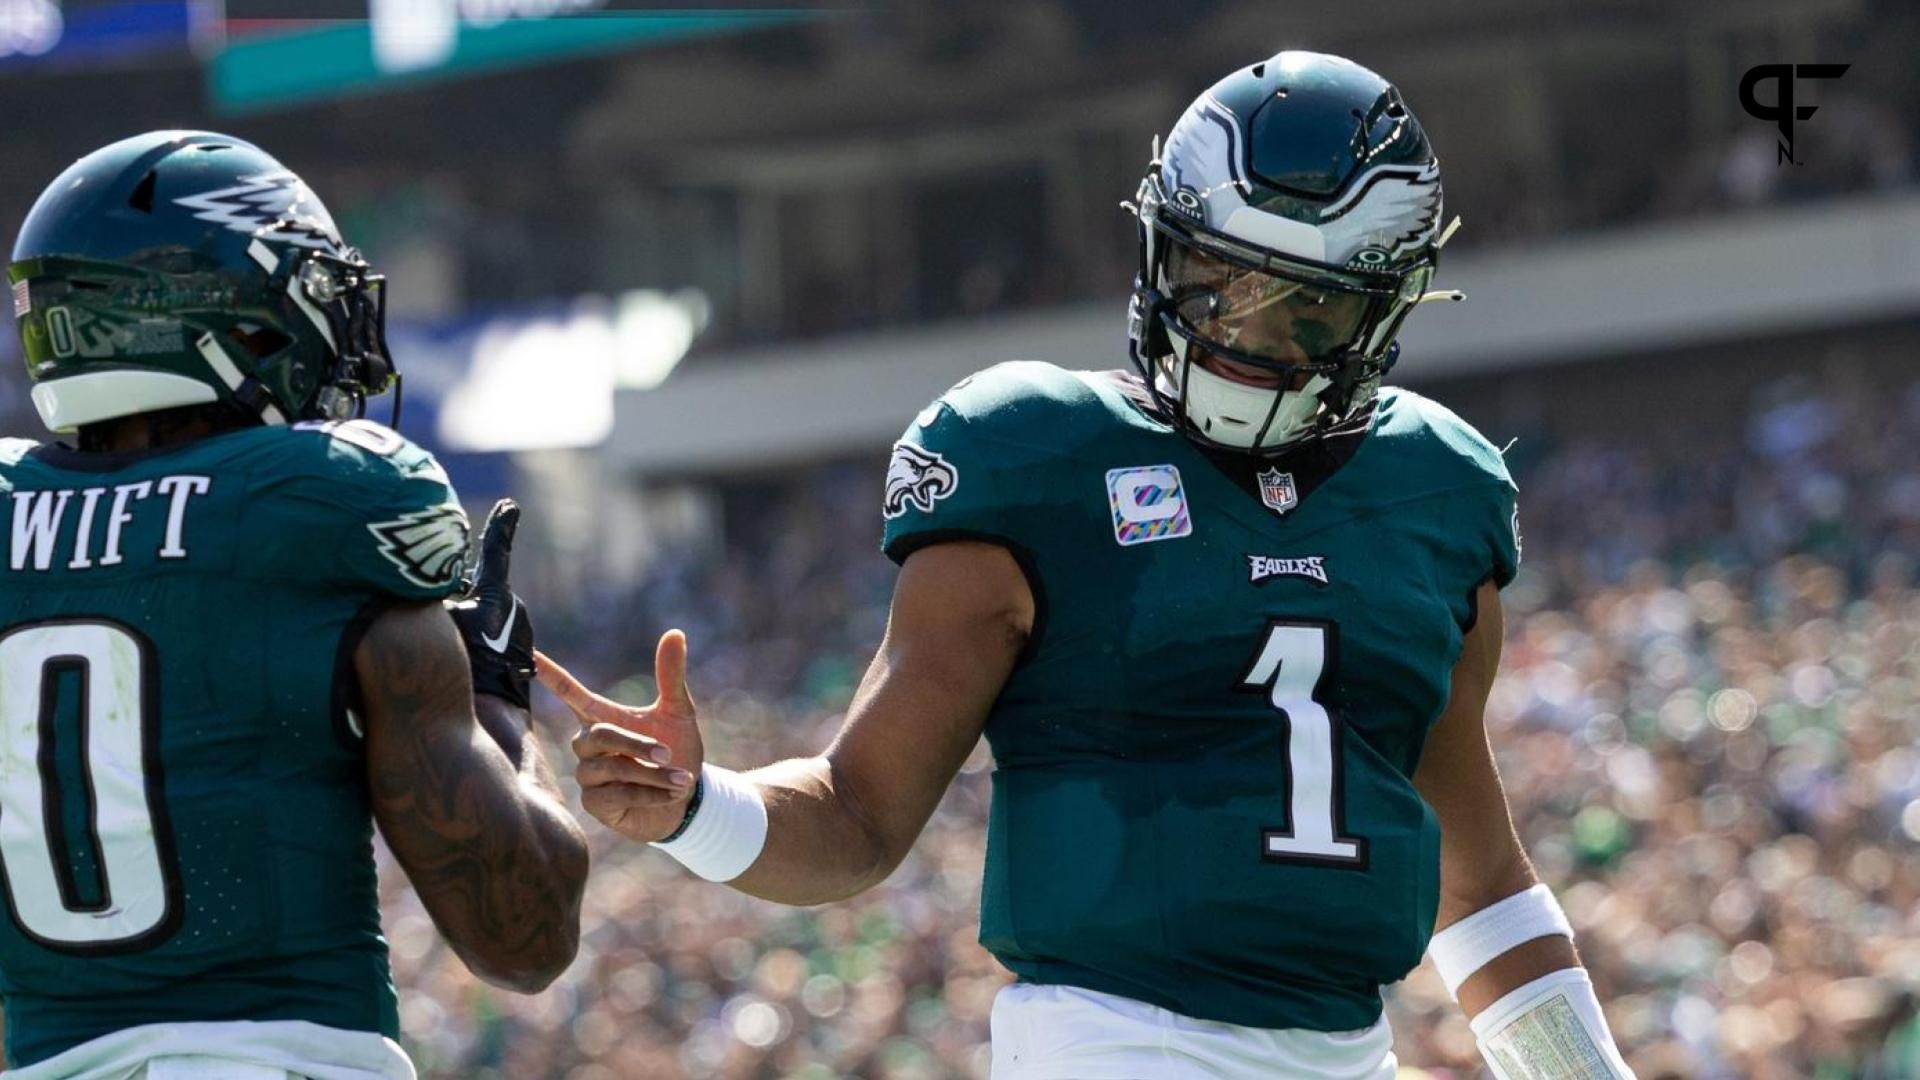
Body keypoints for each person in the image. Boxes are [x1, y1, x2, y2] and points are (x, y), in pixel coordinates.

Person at [546, 52, 1634, 1079]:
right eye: (1216, 281)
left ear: (1382, 308)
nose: (1242, 335)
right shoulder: (1035, 454)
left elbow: (1481, 884)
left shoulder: (1433, 490)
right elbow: (855, 816)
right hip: (1112, 1048)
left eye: (1305, 306)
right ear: (1162, 248)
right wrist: (698, 806)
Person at [0, 131, 589, 1080]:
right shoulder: (322, 502)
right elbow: (524, 937)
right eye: (308, 301)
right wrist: (497, 705)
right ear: (218, 317)